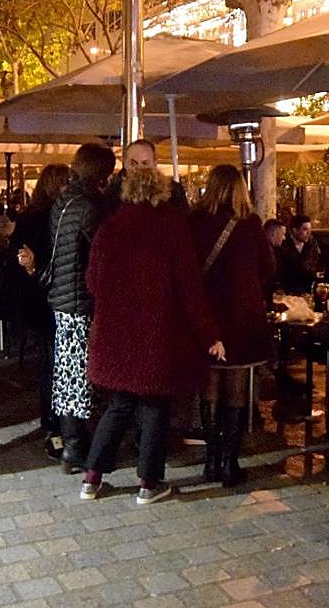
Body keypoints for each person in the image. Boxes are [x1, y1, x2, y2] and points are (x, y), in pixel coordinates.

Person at [79, 168, 225, 504]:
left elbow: (92, 281)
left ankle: (91, 478)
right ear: (161, 192)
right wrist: (209, 333)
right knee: (155, 405)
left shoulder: (110, 227)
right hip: (157, 333)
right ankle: (148, 482)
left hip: (117, 333)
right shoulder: (172, 226)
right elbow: (189, 287)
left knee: (118, 404)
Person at [189, 165, 275, 486]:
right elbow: (268, 267)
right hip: (242, 319)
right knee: (236, 389)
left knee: (209, 387)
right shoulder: (249, 224)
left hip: (206, 315)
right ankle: (229, 463)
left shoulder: (194, 221)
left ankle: (211, 461)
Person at [45, 143, 116, 473]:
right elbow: (102, 253)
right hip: (81, 299)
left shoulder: (64, 201)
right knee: (80, 376)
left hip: (62, 296)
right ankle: (77, 448)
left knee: (68, 373)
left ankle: (73, 444)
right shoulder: (92, 205)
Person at [6, 163, 71, 458]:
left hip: (37, 300)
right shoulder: (53, 218)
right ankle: (58, 424)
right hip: (50, 298)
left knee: (50, 363)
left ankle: (54, 423)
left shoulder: (32, 218)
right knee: (56, 363)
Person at [103, 138, 188, 212]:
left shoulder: (174, 192)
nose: (139, 168)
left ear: (155, 163)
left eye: (145, 163)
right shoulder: (112, 194)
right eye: (133, 163)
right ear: (125, 163)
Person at [276, 214, 322, 294]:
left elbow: (316, 265)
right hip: (288, 290)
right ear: (295, 230)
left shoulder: (312, 244)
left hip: (308, 290)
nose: (309, 233)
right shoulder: (283, 244)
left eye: (310, 229)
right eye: (305, 229)